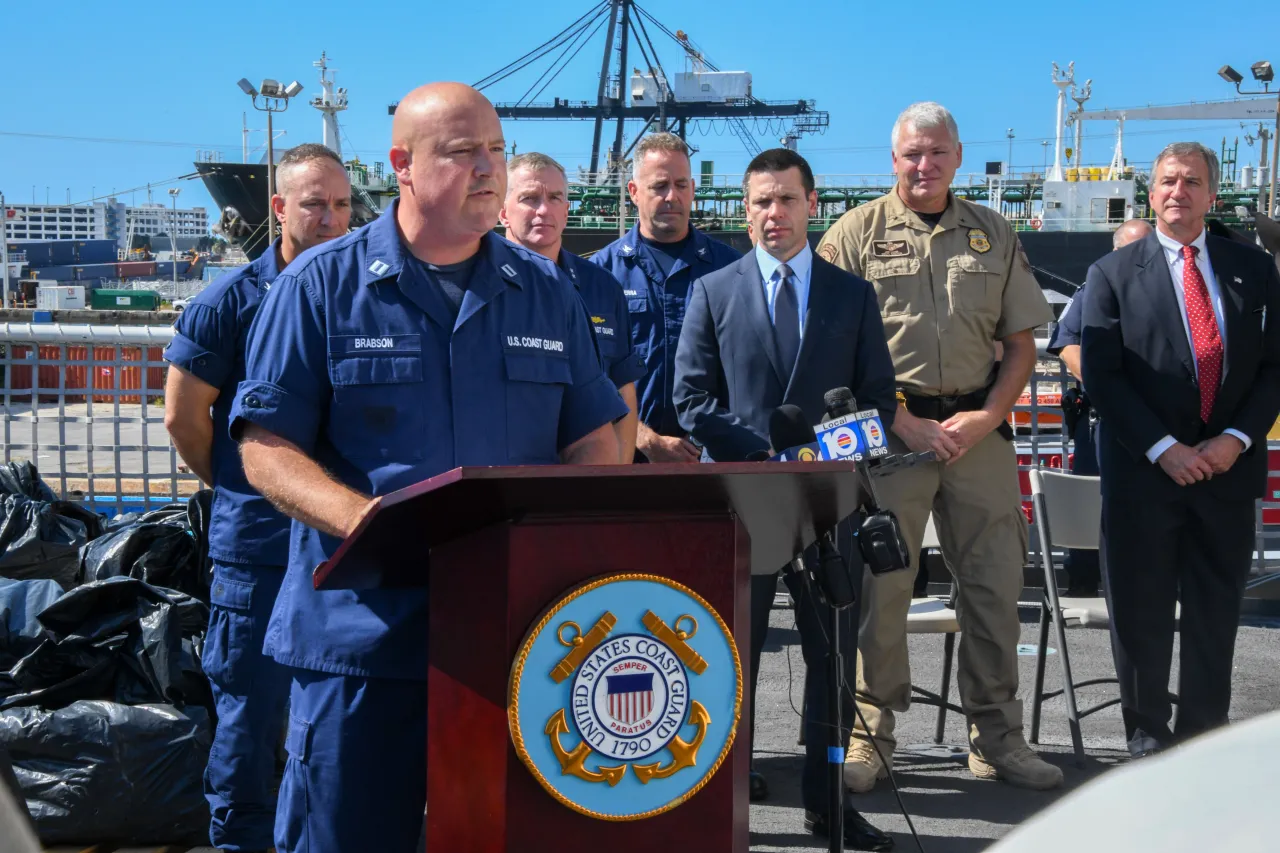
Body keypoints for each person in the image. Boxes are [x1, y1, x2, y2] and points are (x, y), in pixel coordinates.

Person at [230, 83, 628, 852]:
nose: (489, 169)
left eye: (497, 150)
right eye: (463, 152)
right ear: (402, 165)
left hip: (519, 644)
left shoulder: (543, 291)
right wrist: (369, 524)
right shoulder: (319, 288)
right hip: (363, 647)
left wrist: (570, 532)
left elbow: (594, 434)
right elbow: (265, 448)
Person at [817, 101, 1062, 791]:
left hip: (977, 435)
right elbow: (833, 347)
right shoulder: (855, 234)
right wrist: (900, 418)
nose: (923, 165)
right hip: (892, 435)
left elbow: (1021, 343)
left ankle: (998, 737)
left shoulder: (993, 231)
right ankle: (872, 736)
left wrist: (985, 418)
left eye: (936, 153)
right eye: (910, 154)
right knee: (883, 590)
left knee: (993, 585)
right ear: (892, 160)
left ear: (957, 156)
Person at [673, 148, 896, 850]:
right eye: (761, 202)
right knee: (730, 657)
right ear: (746, 210)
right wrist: (766, 452)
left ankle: (828, 805)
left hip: (830, 509)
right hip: (744, 506)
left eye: (787, 200)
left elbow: (878, 401)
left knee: (831, 663)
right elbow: (691, 399)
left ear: (811, 203)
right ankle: (722, 800)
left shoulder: (851, 295)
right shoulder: (714, 291)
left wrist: (823, 452)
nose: (774, 214)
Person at [162, 142, 352, 853]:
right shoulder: (228, 303)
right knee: (249, 716)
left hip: (342, 544)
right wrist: (245, 488)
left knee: (335, 715)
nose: (332, 218)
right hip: (261, 554)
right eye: (314, 203)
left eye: (341, 204)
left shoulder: (359, 294)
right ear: (278, 208)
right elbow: (185, 419)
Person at [1081, 142, 1280, 758]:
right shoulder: (1112, 274)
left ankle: (1202, 741)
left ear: (1213, 195)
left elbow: (1273, 368)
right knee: (1140, 615)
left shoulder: (1254, 267)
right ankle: (1146, 738)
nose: (1178, 191)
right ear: (1150, 192)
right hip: (1144, 473)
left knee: (1214, 613)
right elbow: (1103, 374)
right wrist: (1164, 448)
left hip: (1226, 472)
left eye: (1192, 181)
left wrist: (1236, 439)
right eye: (1168, 180)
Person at [591, 132, 741, 462]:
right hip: (627, 457)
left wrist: (707, 437)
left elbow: (747, 364)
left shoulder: (733, 269)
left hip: (714, 459)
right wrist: (644, 438)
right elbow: (589, 373)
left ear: (692, 190)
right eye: (659, 186)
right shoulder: (599, 275)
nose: (671, 196)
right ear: (633, 191)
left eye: (681, 184)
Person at [499, 151, 645, 459]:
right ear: (502, 210)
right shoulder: (479, 286)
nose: (543, 210)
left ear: (567, 210)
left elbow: (623, 389)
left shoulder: (602, 287)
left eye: (555, 198)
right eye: (529, 198)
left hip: (587, 474)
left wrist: (617, 479)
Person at [1045, 218, 1153, 597]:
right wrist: (1104, 386)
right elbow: (1066, 340)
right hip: (1101, 417)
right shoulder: (1095, 286)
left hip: (1159, 418)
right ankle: (1084, 581)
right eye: (1130, 250)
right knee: (1091, 499)